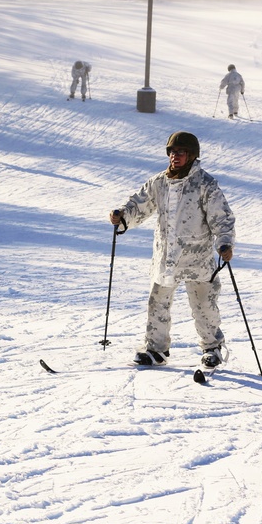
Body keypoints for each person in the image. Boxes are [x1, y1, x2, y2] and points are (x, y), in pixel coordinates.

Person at [109, 131, 236, 369]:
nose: (174, 157)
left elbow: (222, 219)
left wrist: (225, 243)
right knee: (157, 302)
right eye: (172, 152)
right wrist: (123, 215)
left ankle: (212, 348)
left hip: (197, 259)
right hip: (166, 256)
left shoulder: (204, 184)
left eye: (180, 152)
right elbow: (140, 204)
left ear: (191, 156)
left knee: (204, 304)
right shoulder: (159, 182)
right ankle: (156, 350)